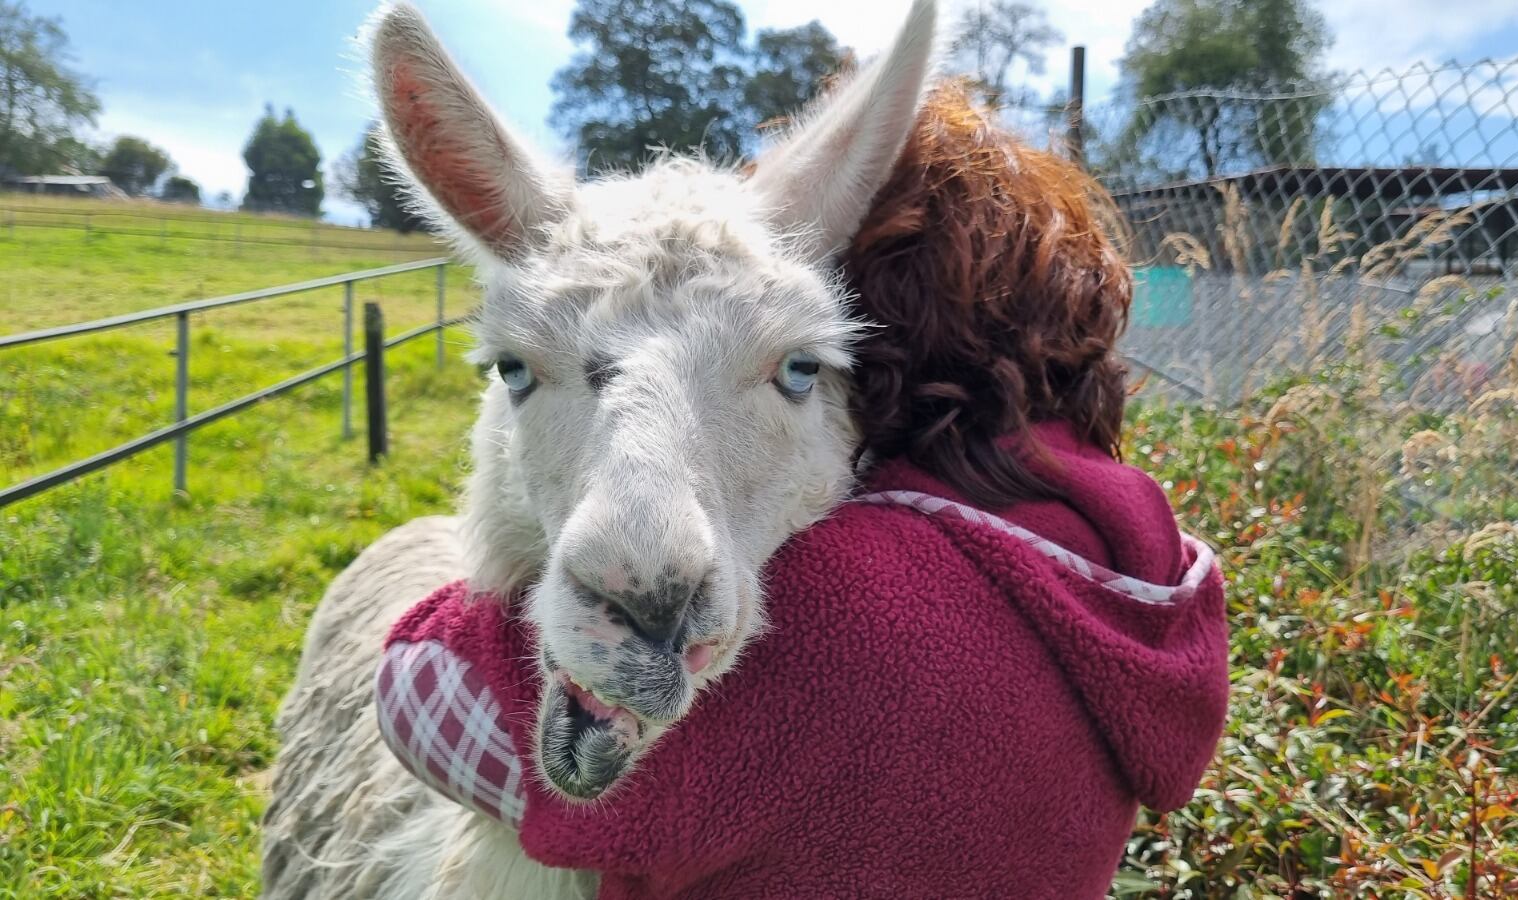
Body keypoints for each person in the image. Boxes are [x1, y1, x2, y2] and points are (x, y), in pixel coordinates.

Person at [383, 84, 1229, 899]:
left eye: (803, 364)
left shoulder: (837, 608)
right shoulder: (1132, 567)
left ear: (880, 340)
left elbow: (421, 694)